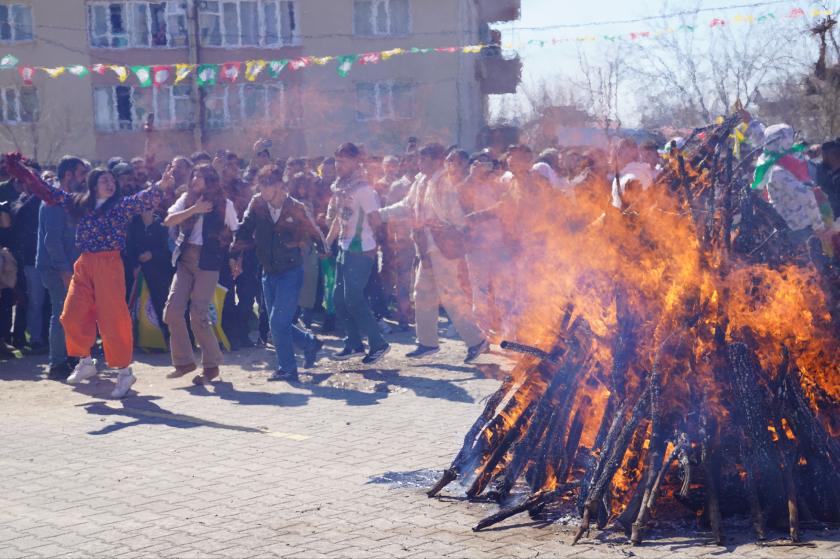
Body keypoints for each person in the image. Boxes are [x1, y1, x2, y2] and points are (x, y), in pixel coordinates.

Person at [6, 155, 172, 398]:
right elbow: (45, 190)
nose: (110, 183)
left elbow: (142, 199)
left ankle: (124, 372)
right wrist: (22, 172)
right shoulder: (77, 203)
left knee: (113, 319)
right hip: (84, 263)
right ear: (93, 184)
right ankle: (85, 360)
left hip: (109, 264)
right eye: (105, 179)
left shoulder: (120, 205)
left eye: (112, 180)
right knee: (70, 314)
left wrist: (162, 185)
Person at [371, 143, 489, 364]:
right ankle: (427, 343)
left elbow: (456, 217)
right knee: (423, 293)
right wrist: (382, 214)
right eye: (420, 159)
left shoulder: (444, 184)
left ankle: (477, 341)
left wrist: (453, 231)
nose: (419, 163)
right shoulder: (421, 181)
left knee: (451, 296)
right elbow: (407, 206)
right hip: (426, 247)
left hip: (442, 247)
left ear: (436, 161)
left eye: (424, 159)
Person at [231, 165, 327, 381]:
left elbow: (314, 230)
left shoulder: (296, 207)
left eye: (267, 186)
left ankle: (288, 369)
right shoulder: (257, 203)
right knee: (279, 322)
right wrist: (233, 254)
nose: (263, 190)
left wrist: (323, 250)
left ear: (279, 186)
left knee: (277, 322)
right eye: (261, 186)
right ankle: (310, 343)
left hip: (291, 270)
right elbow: (245, 229)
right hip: (268, 271)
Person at [163, 164, 239, 385]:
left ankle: (211, 365)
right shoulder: (187, 199)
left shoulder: (225, 204)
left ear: (211, 180)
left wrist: (234, 257)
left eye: (201, 176)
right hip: (185, 260)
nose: (195, 179)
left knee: (198, 314)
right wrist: (194, 210)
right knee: (172, 311)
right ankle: (184, 362)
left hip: (209, 263)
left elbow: (236, 232)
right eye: (194, 175)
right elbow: (169, 220)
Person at [325, 142, 390, 364]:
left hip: (361, 250)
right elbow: (338, 218)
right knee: (338, 299)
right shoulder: (340, 187)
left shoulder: (364, 189)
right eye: (336, 160)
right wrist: (327, 242)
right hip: (344, 247)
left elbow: (375, 219)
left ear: (355, 162)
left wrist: (379, 246)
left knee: (353, 297)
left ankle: (378, 343)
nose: (337, 165)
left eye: (342, 161)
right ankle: (353, 343)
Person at [35, 156, 86, 379]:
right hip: (56, 269)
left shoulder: (69, 200)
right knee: (61, 313)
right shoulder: (52, 201)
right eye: (81, 174)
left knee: (71, 313)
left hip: (69, 266)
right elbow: (52, 241)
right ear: (68, 175)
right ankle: (57, 364)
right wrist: (65, 270)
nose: (84, 179)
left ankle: (71, 357)